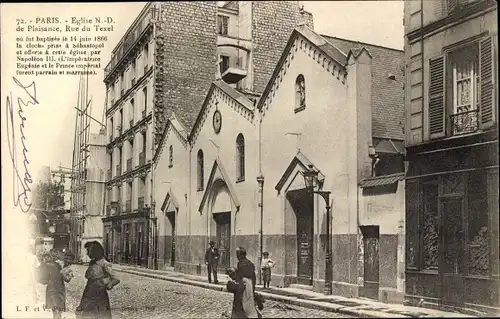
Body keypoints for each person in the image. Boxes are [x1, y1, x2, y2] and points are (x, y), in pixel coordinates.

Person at [76, 241, 120, 319]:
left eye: (88, 250)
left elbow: (116, 278)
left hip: (99, 294)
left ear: (94, 251)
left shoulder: (104, 263)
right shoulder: (92, 263)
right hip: (88, 292)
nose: (87, 253)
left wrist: (108, 284)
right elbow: (87, 275)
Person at [37, 249, 73, 319]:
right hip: (59, 288)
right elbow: (67, 279)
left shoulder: (49, 265)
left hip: (52, 288)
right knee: (58, 309)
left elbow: (41, 279)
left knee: (55, 309)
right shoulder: (58, 265)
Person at [235, 247, 259, 318]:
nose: (237, 256)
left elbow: (239, 276)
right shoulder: (250, 263)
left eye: (237, 254)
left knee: (243, 302)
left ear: (240, 255)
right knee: (249, 301)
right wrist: (253, 286)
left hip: (244, 284)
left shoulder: (240, 263)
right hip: (250, 284)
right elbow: (253, 276)